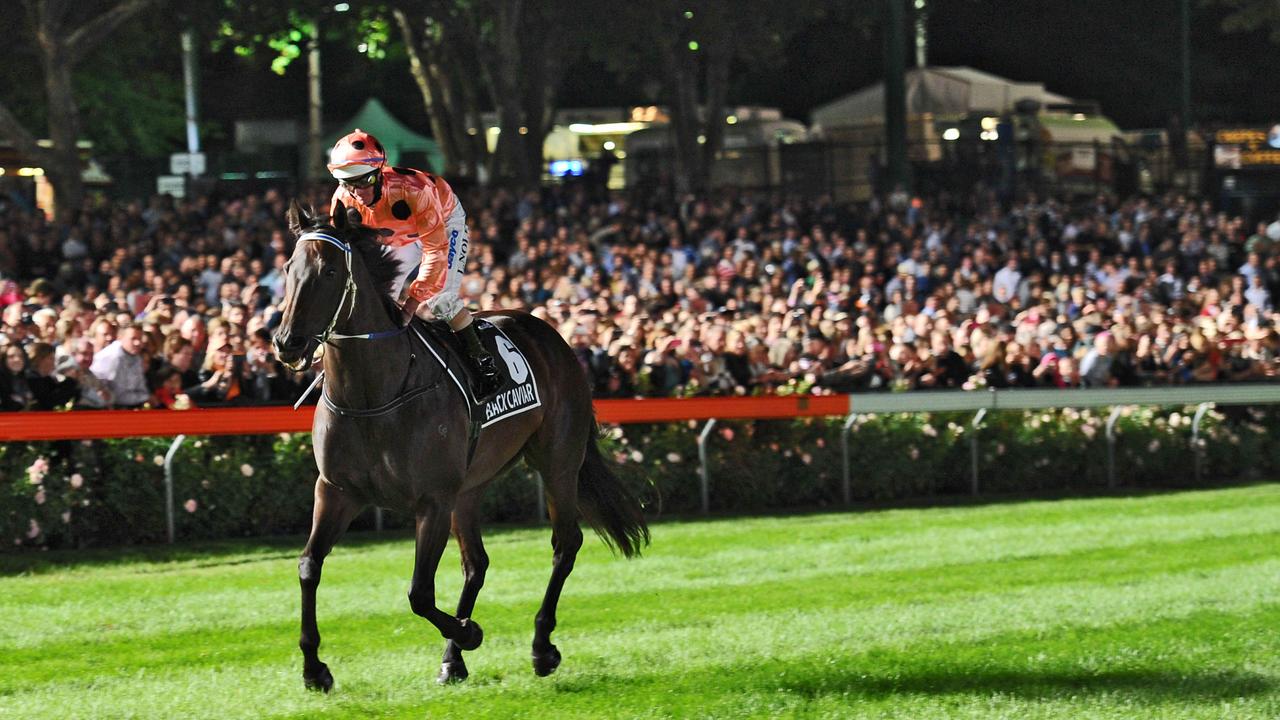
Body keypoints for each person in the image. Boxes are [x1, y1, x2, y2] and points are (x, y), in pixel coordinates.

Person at [326, 129, 502, 399]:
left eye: (363, 182)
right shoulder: (343, 197)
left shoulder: (414, 190)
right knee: (377, 302)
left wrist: (412, 303)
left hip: (442, 224)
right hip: (398, 237)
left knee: (441, 300)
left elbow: (435, 251)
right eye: (348, 183)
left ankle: (483, 363)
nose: (357, 192)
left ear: (378, 173)